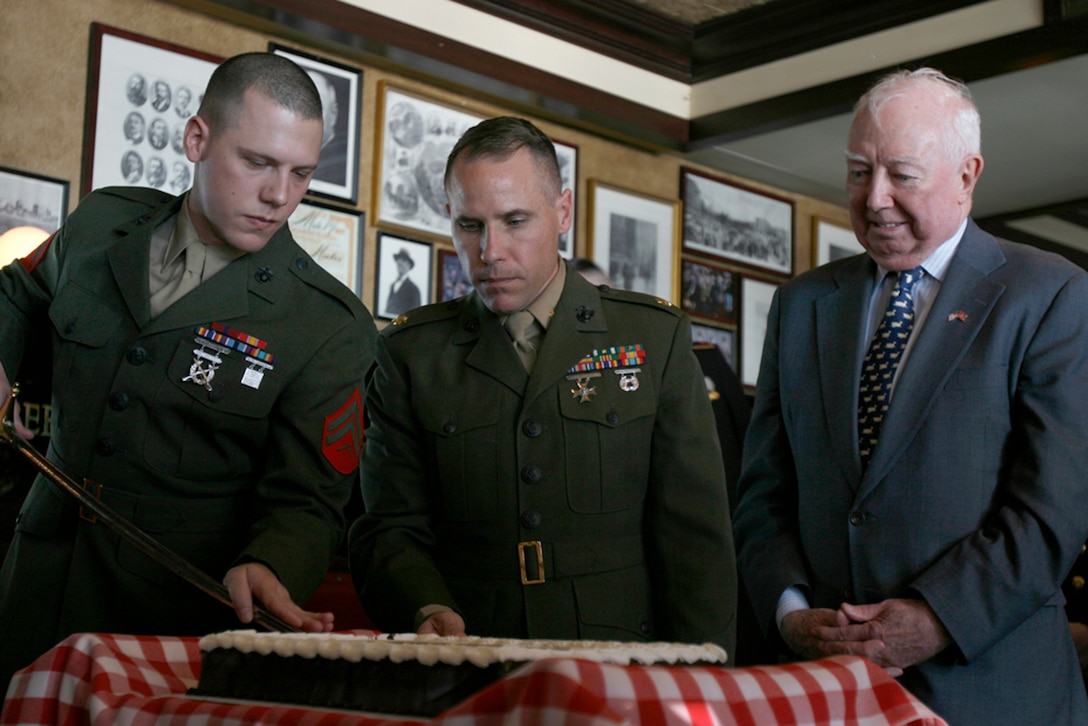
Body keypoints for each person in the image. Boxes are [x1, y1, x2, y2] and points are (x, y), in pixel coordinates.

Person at [0, 52, 378, 690]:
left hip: (164, 626)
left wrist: (272, 562)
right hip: (30, 587)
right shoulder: (101, 223)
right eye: (257, 162)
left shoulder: (328, 326)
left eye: (301, 173)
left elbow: (307, 500)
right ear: (197, 138)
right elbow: (20, 292)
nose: (279, 195)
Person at [732, 67, 1088, 724]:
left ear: (966, 175)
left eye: (903, 174)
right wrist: (790, 614)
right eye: (859, 172)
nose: (875, 198)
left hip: (991, 693)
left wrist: (933, 618)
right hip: (824, 691)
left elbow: (1051, 511)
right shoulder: (800, 304)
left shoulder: (1051, 296)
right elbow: (763, 492)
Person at [350, 117, 736, 652]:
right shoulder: (411, 353)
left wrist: (701, 681)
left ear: (562, 212)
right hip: (470, 655)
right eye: (470, 225)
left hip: (621, 659)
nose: (490, 251)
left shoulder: (651, 336)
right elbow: (389, 525)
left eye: (514, 221)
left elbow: (696, 539)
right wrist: (425, 602)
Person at [384, 248, 422, 316]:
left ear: (409, 265)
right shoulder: (392, 286)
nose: (399, 262)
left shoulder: (414, 289)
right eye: (398, 259)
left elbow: (415, 315)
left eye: (403, 260)